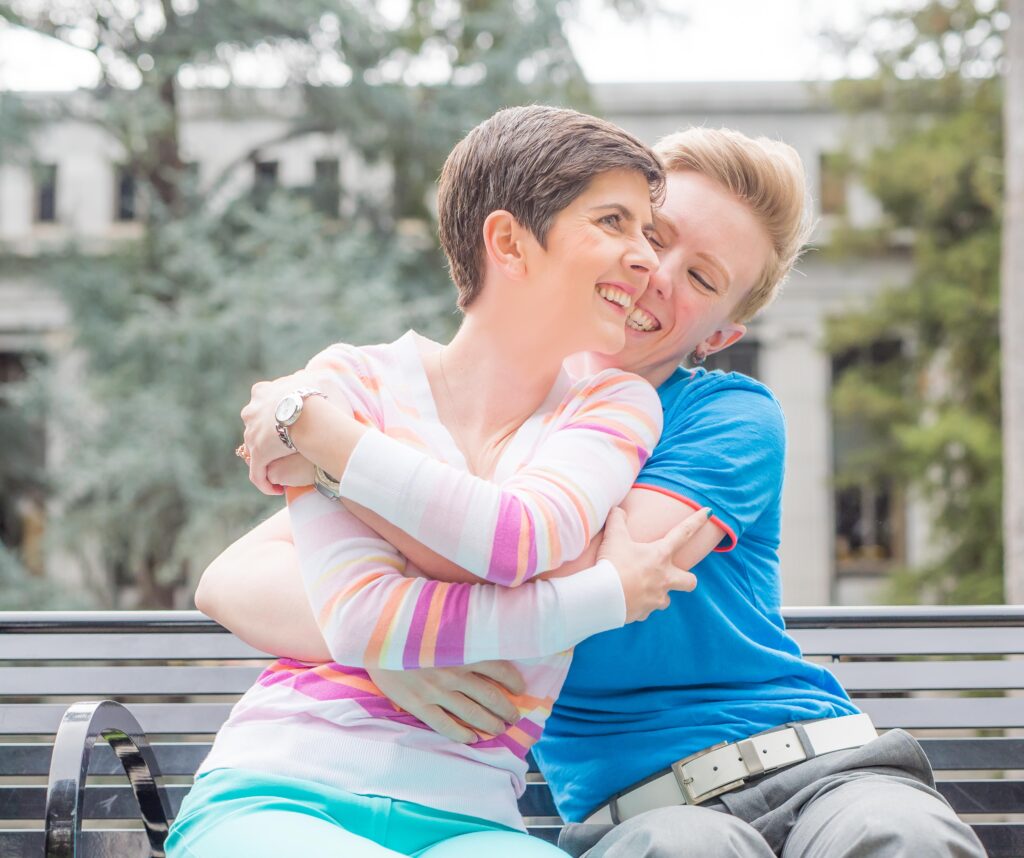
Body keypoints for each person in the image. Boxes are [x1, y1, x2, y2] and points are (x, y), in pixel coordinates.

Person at [201, 124, 987, 858]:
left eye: (702, 278)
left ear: (717, 335)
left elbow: (545, 563)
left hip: (822, 767)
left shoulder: (727, 413)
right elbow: (233, 578)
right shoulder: (492, 405)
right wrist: (386, 649)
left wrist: (328, 448)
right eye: (650, 234)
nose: (655, 273)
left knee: (901, 839)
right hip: (648, 816)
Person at [167, 105, 712, 858]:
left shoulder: (614, 407)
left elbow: (520, 538)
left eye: (644, 233)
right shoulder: (349, 381)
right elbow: (364, 621)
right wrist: (600, 595)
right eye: (613, 223)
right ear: (509, 243)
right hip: (280, 787)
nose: (646, 260)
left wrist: (331, 446)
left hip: (474, 819)